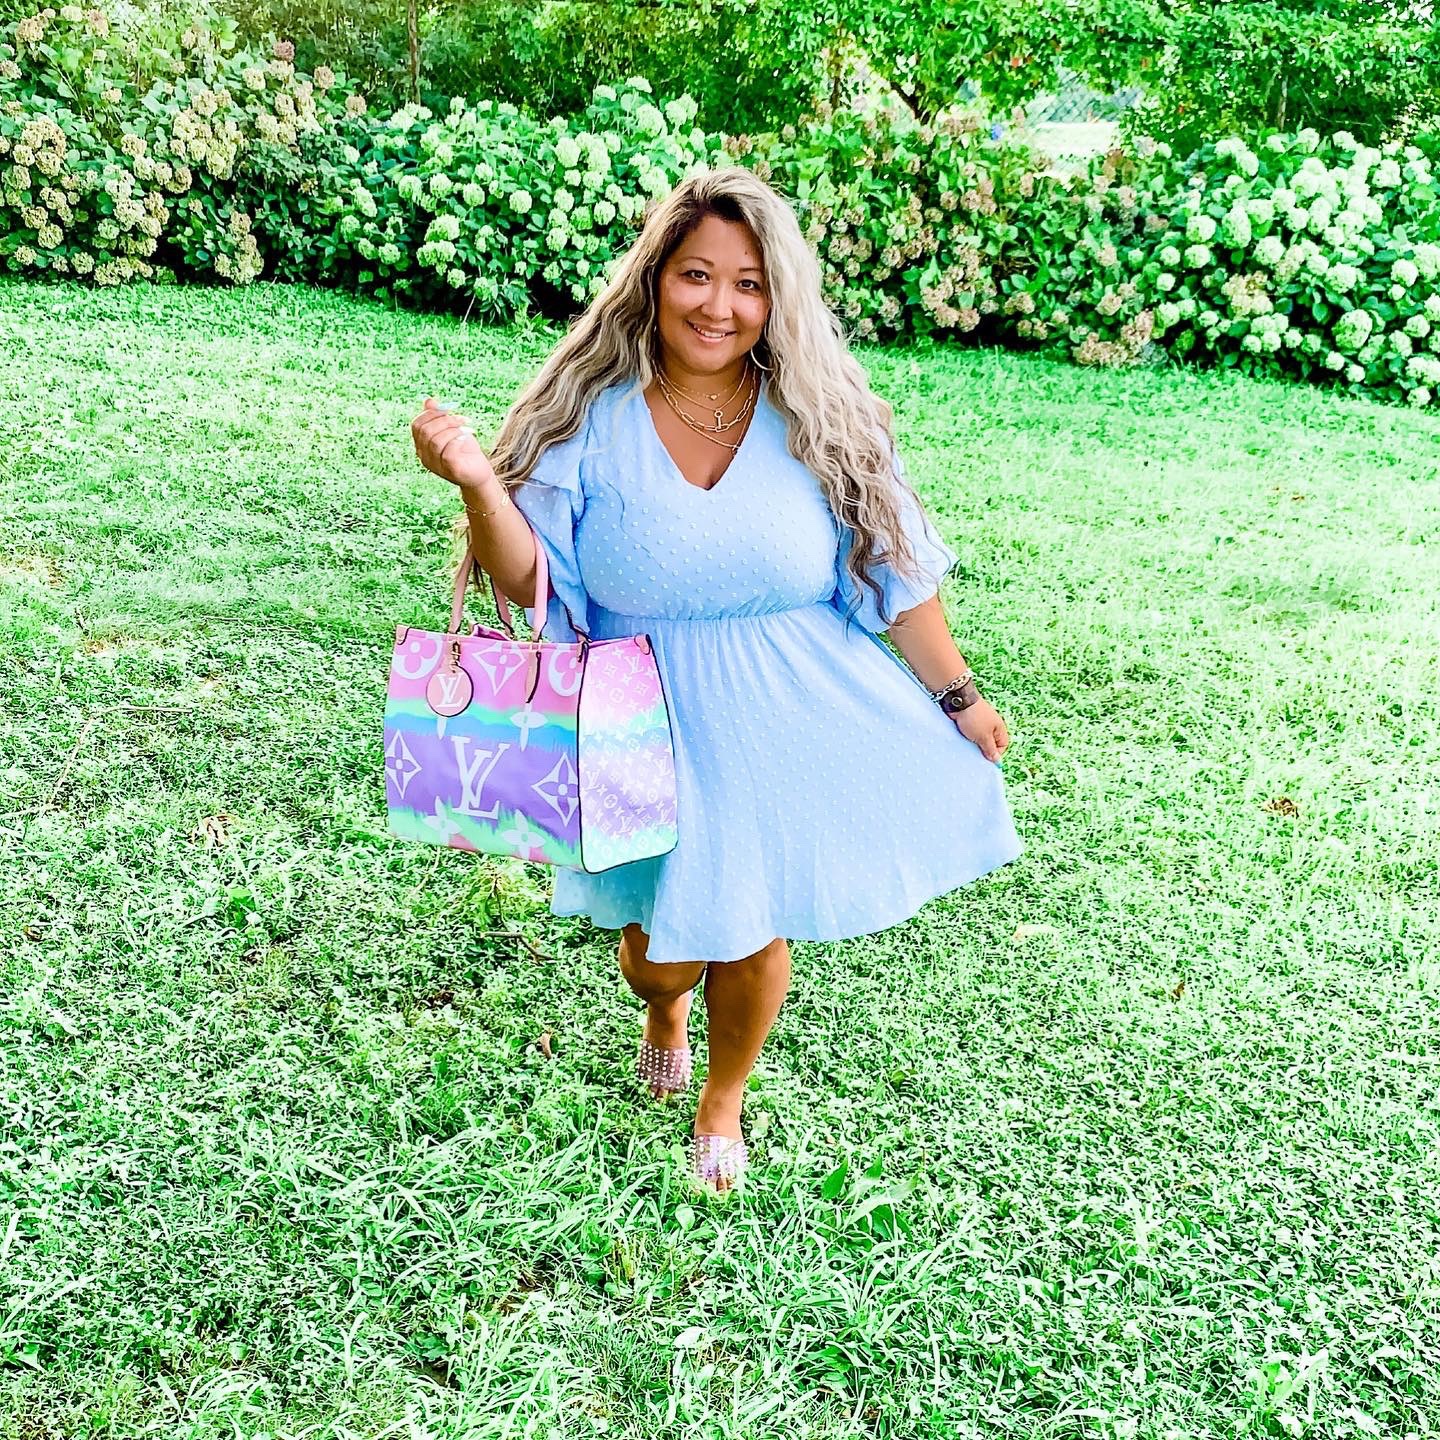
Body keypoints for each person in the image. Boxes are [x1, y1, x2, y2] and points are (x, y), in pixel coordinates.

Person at [410, 167, 1024, 1194]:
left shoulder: (824, 419)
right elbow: (528, 580)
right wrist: (477, 483)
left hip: (782, 712)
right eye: (696, 275)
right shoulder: (587, 416)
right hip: (632, 712)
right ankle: (663, 1010)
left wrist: (960, 698)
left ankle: (724, 1099)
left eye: (748, 283)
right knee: (658, 951)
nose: (720, 305)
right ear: (655, 279)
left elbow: (894, 573)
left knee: (750, 925)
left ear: (777, 298)